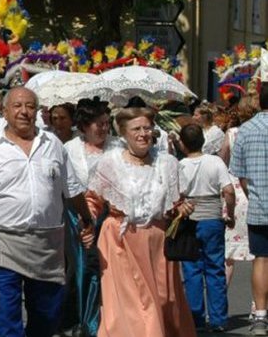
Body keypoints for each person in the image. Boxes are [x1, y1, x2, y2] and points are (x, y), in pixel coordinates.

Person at [0, 87, 94, 337]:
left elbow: (71, 189)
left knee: (47, 318)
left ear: (37, 111)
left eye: (29, 106)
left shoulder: (54, 145)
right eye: (17, 106)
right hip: (1, 243)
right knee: (7, 317)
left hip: (46, 246)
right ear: (4, 112)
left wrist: (86, 219)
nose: (24, 112)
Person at [87, 107, 196, 337]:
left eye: (147, 128)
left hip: (157, 243)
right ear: (124, 134)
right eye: (136, 129)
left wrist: (182, 208)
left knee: (164, 300)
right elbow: (93, 200)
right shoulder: (110, 162)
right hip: (119, 241)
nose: (143, 133)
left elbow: (177, 201)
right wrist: (86, 224)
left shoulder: (167, 163)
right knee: (134, 304)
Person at [62, 98, 119, 335]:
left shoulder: (117, 146)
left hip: (110, 213)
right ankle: (81, 320)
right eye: (99, 124)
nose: (104, 129)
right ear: (84, 126)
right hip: (77, 214)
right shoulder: (70, 149)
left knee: (108, 267)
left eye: (107, 123)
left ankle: (104, 320)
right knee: (83, 267)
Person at [178, 123, 235, 332]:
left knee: (192, 270)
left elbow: (176, 194)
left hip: (189, 219)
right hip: (212, 219)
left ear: (182, 144)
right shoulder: (215, 162)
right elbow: (228, 191)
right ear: (203, 141)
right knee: (215, 269)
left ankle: (196, 319)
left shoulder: (180, 164)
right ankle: (218, 319)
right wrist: (230, 212)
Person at [230, 83, 268, 336]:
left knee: (261, 260)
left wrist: (252, 194)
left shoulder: (246, 129)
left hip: (259, 206)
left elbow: (239, 173)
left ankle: (260, 316)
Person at [219, 97, 257, 286]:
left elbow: (222, 159)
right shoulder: (260, 132)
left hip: (233, 193)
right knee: (259, 257)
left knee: (228, 256)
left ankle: (221, 303)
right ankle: (257, 304)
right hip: (254, 191)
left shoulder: (232, 133)